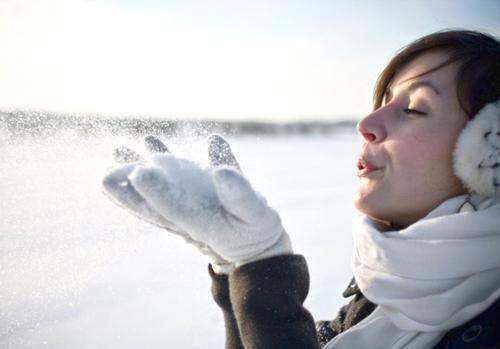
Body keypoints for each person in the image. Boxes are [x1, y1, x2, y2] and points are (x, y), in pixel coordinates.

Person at [102, 29, 500, 349]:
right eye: (383, 101)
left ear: (488, 152)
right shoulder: (382, 297)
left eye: (413, 108)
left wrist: (263, 266)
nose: (367, 122)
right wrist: (237, 273)